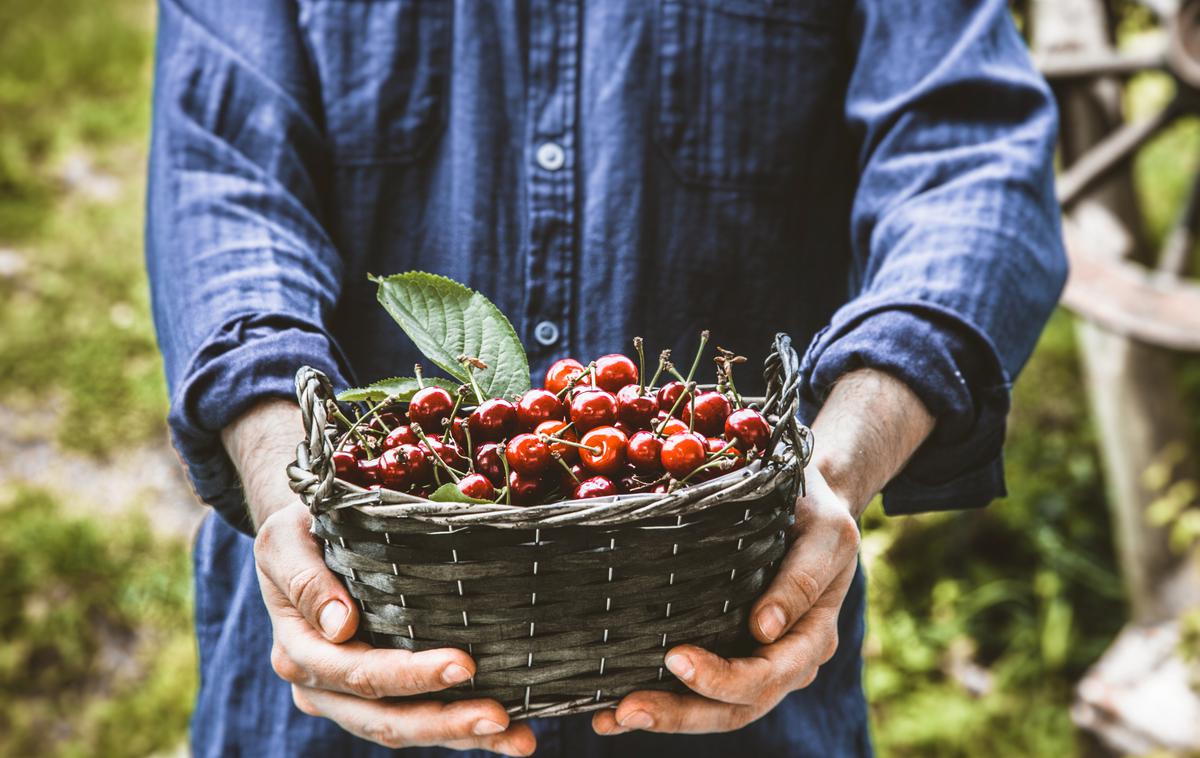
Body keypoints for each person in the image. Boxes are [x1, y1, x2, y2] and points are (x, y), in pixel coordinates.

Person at [146, 0, 1066, 755]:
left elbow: (971, 157)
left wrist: (839, 460)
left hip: (730, 636)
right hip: (353, 633)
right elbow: (221, 182)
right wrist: (286, 486)